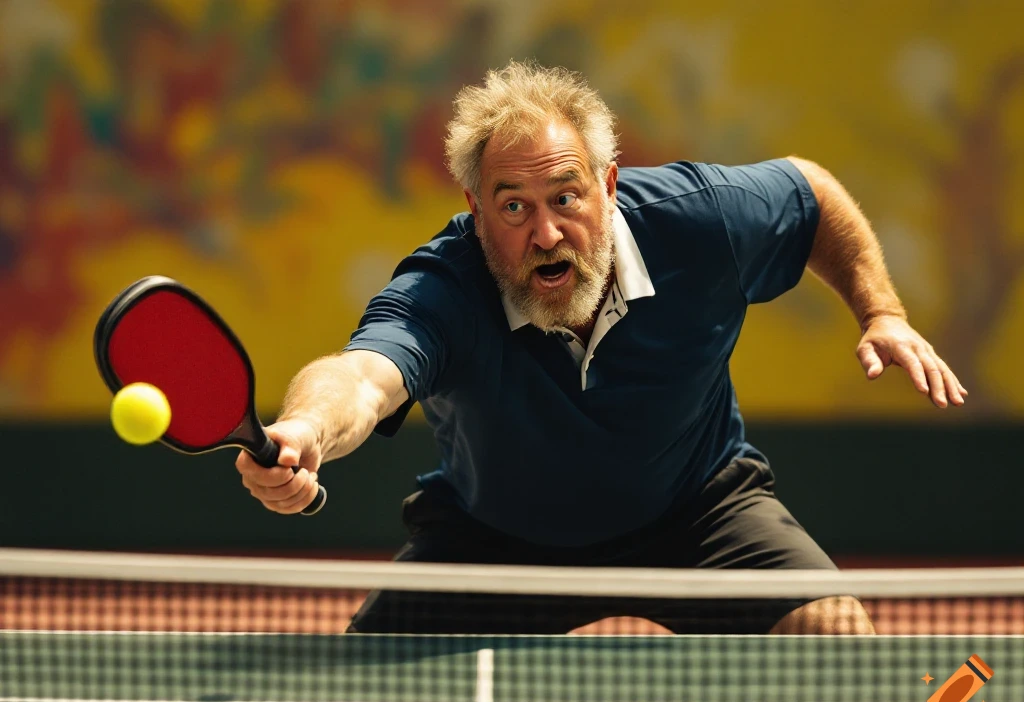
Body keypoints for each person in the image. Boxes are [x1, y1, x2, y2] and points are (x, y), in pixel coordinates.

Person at [235, 61, 967, 635]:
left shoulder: (698, 221)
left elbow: (811, 194)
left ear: (609, 186)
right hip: (495, 543)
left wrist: (883, 311)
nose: (545, 233)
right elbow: (362, 376)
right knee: (357, 700)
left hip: (700, 514)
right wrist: (307, 430)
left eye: (566, 196)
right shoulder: (445, 287)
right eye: (513, 205)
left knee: (846, 647)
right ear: (477, 212)